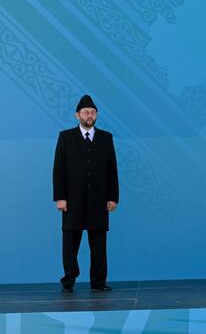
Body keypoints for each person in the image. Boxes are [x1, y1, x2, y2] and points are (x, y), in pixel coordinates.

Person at [52, 94, 119, 292]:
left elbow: (112, 170)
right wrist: (60, 197)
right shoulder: (66, 137)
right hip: (72, 200)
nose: (89, 115)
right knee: (70, 243)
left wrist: (112, 197)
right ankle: (69, 280)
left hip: (99, 200)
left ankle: (98, 282)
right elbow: (59, 169)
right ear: (77, 115)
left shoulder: (106, 138)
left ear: (96, 115)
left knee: (98, 243)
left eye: (92, 112)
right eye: (85, 112)